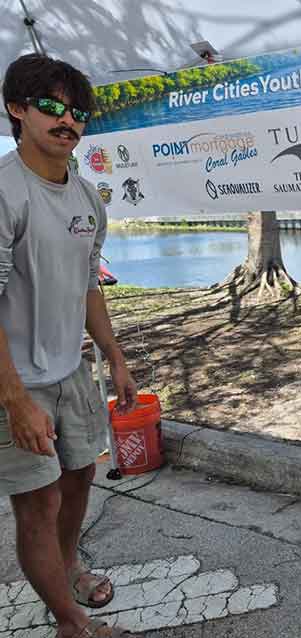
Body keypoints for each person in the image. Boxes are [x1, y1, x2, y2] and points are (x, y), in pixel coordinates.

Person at [0, 54, 139, 638]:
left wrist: (113, 356)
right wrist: (15, 402)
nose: (68, 121)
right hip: (16, 381)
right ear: (16, 109)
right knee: (38, 504)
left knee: (80, 478)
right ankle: (69, 622)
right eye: (51, 107)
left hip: (73, 372)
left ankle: (69, 564)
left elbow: (88, 285)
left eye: (78, 112)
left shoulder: (88, 198)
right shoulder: (6, 192)